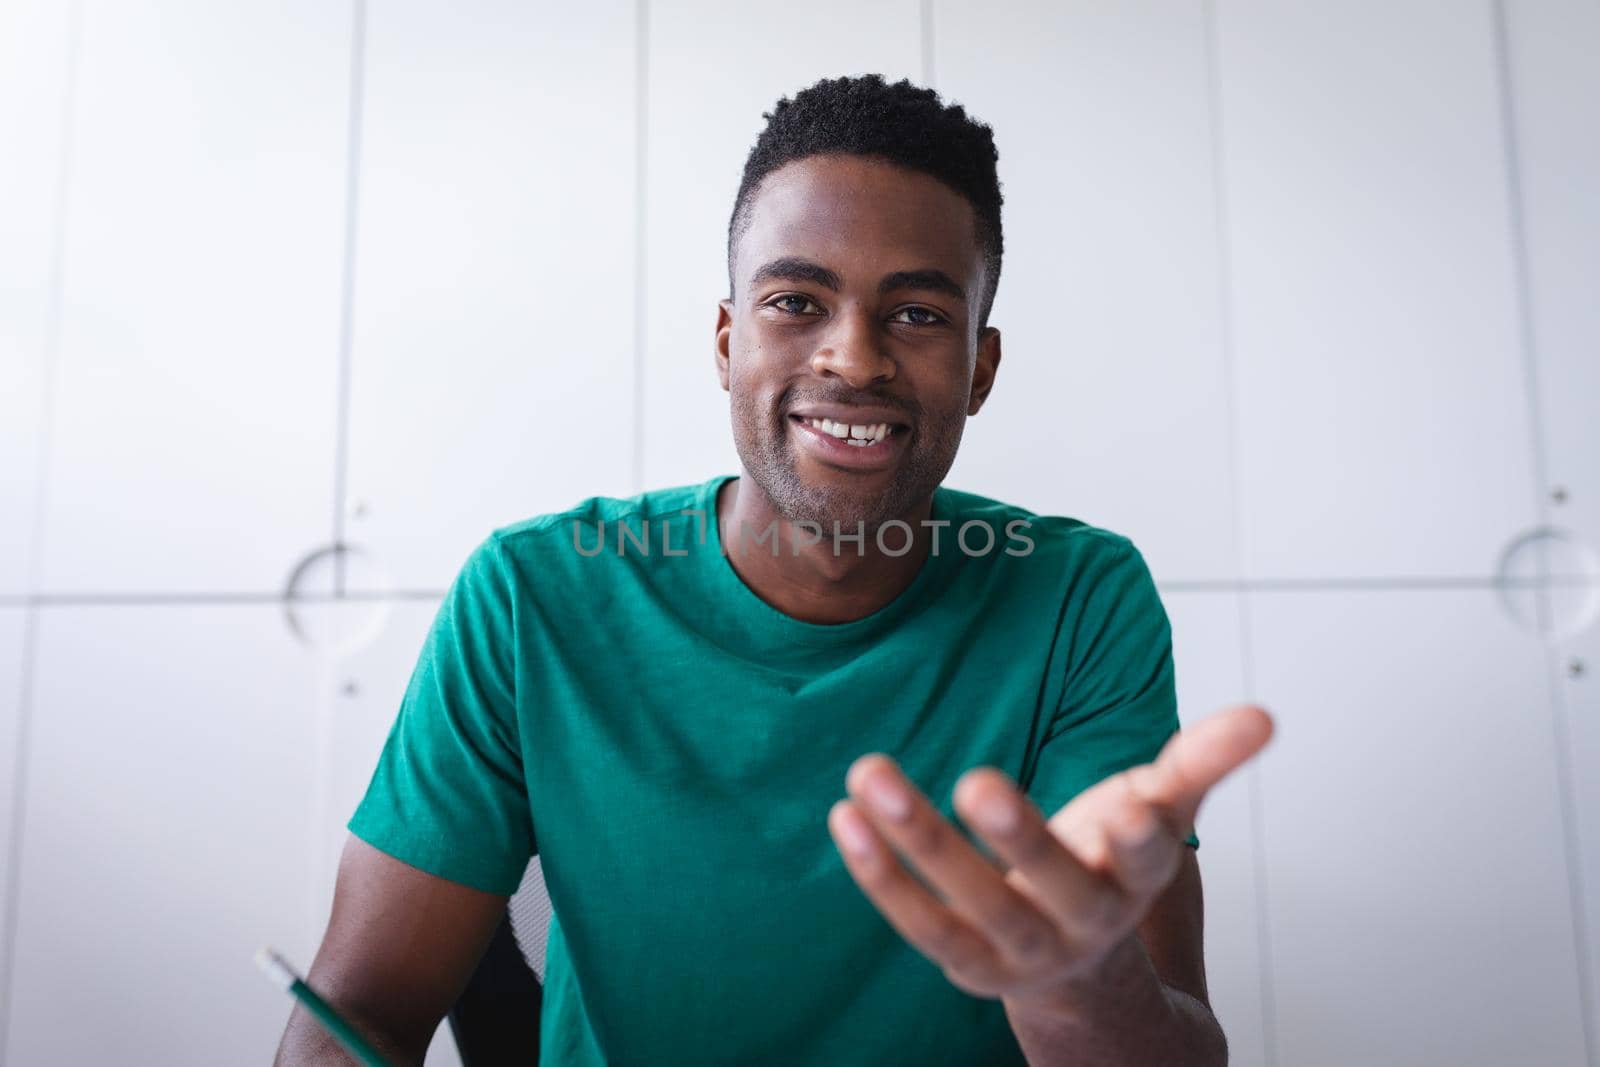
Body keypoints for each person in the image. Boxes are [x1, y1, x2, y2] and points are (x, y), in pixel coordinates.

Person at [274, 73, 1272, 1066]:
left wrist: (1076, 981)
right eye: (796, 300)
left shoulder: (1076, 599)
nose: (854, 357)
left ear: (980, 367)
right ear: (726, 339)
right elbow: (360, 1008)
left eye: (918, 314)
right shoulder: (533, 595)